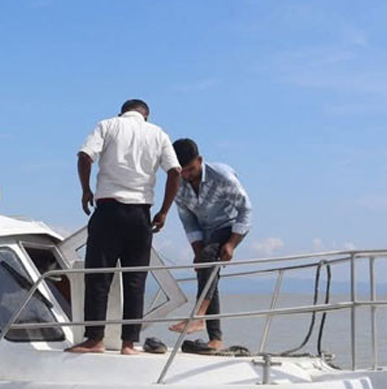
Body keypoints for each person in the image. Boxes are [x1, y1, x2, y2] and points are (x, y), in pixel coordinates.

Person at [68, 99, 181, 355]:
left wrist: (86, 190)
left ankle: (95, 339)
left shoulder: (108, 125)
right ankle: (129, 344)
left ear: (121, 112)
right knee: (135, 279)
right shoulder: (158, 133)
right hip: (141, 214)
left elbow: (85, 156)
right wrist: (163, 211)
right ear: (146, 116)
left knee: (98, 276)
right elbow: (175, 171)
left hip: (109, 209)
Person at [170, 138, 253, 349]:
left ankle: (198, 317)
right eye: (183, 171)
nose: (187, 176)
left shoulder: (222, 176)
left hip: (228, 225)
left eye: (191, 169)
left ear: (200, 160)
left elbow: (246, 210)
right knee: (207, 271)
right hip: (203, 231)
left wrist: (232, 244)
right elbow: (187, 218)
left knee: (208, 259)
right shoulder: (177, 182)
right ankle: (216, 339)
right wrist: (196, 251)